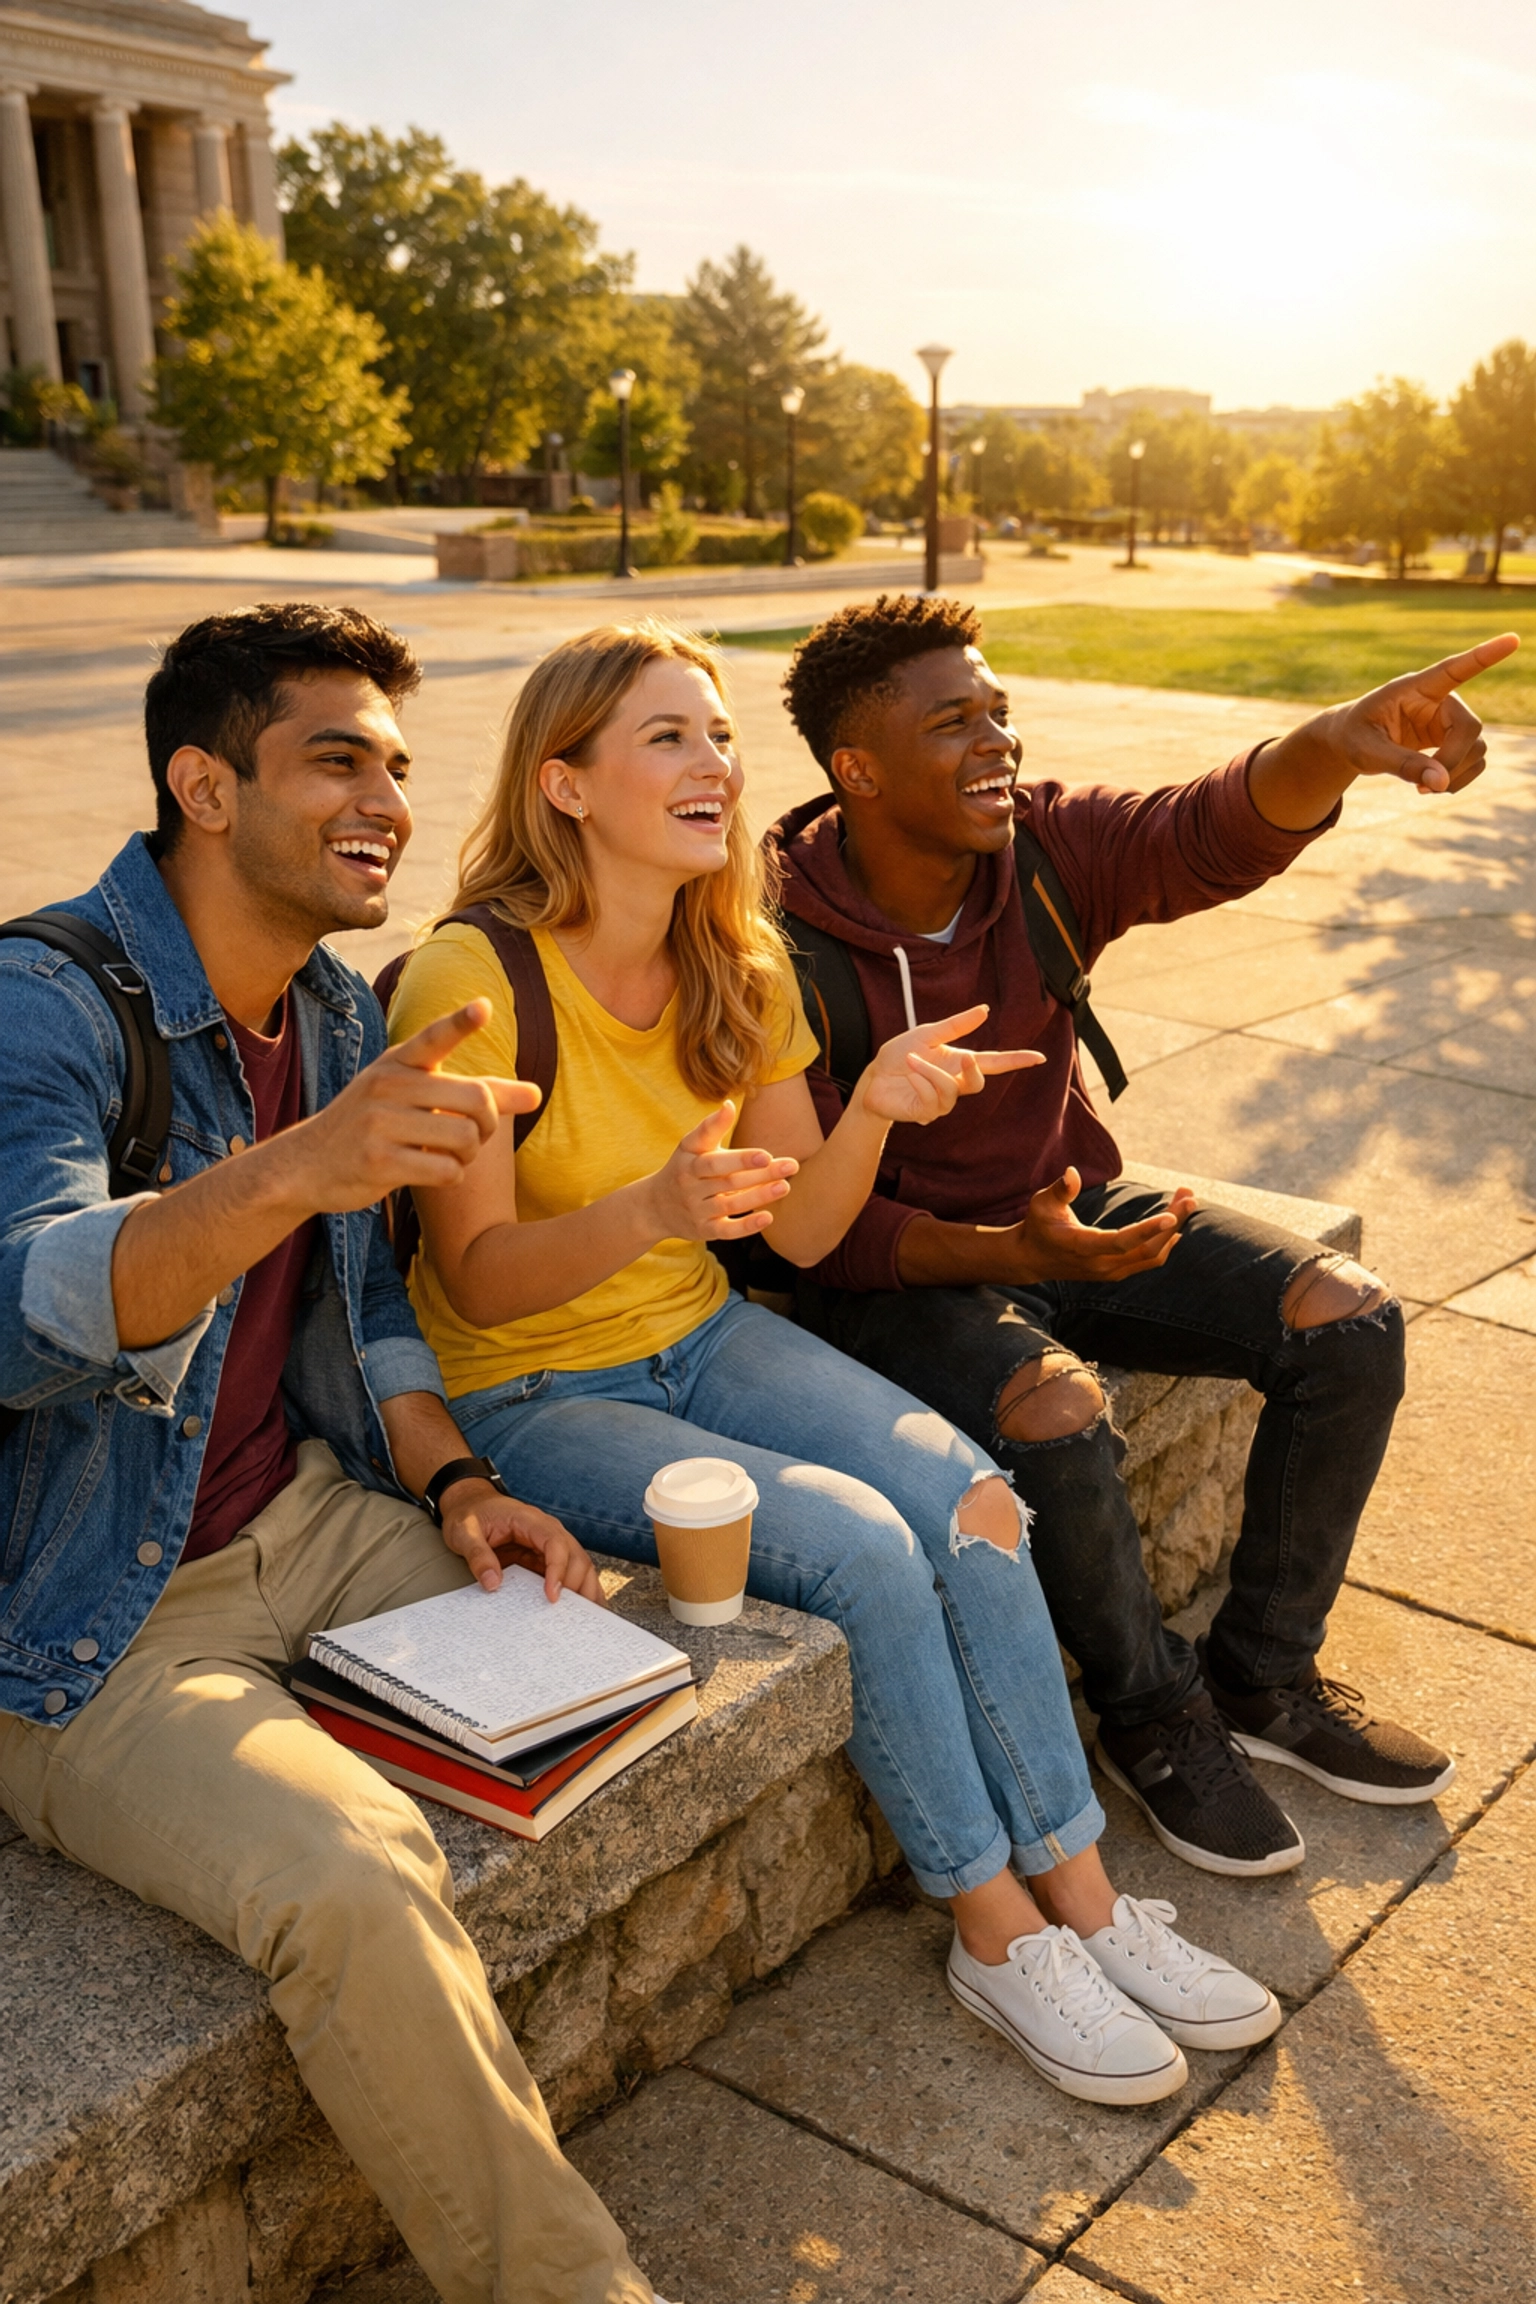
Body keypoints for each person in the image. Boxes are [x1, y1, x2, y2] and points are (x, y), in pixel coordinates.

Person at [385, 616, 1283, 2110]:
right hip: (532, 1392)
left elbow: (803, 1233)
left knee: (980, 1499)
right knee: (868, 1550)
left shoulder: (737, 951)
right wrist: (652, 1209)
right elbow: (475, 1275)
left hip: (701, 1333)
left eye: (721, 734)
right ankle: (993, 1938)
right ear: (564, 783)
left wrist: (867, 1105)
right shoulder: (471, 975)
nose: (714, 764)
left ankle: (1092, 1901)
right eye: (667, 736)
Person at [0, 603, 677, 2304]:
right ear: (201, 786)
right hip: (94, 1610)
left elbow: (367, 1318)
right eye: (334, 757)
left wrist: (456, 1487)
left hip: (308, 1517)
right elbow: (23, 1311)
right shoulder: (41, 1001)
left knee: (620, 1651)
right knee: (355, 1870)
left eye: (395, 760)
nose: (384, 794)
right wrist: (290, 1167)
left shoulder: (335, 1009)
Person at [770, 592, 1516, 1879]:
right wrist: (1019, 1258)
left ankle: (1262, 1684)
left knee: (1349, 1318)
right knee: (1055, 1411)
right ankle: (1154, 1719)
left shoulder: (1045, 847)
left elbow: (1207, 827)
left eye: (999, 709)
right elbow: (821, 1235)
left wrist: (1339, 738)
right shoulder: (772, 937)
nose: (996, 739)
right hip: (897, 1267)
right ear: (857, 769)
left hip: (1068, 1206)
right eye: (953, 721)